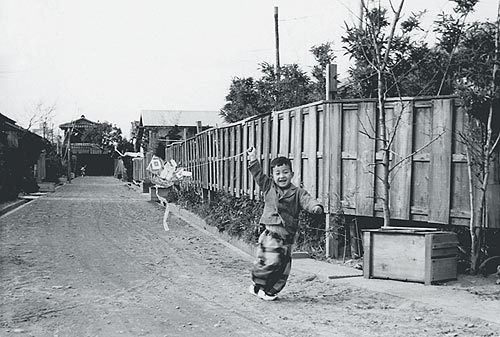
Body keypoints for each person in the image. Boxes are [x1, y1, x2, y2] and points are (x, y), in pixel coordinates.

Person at [247, 147, 323, 301]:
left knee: (283, 267)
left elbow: (307, 200)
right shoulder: (268, 187)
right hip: (271, 234)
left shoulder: (297, 192)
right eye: (278, 173)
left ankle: (270, 290)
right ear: (273, 176)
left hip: (287, 237)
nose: (282, 176)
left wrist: (315, 207)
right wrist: (253, 158)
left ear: (292, 174)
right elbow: (257, 174)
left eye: (285, 172)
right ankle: (257, 285)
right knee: (270, 261)